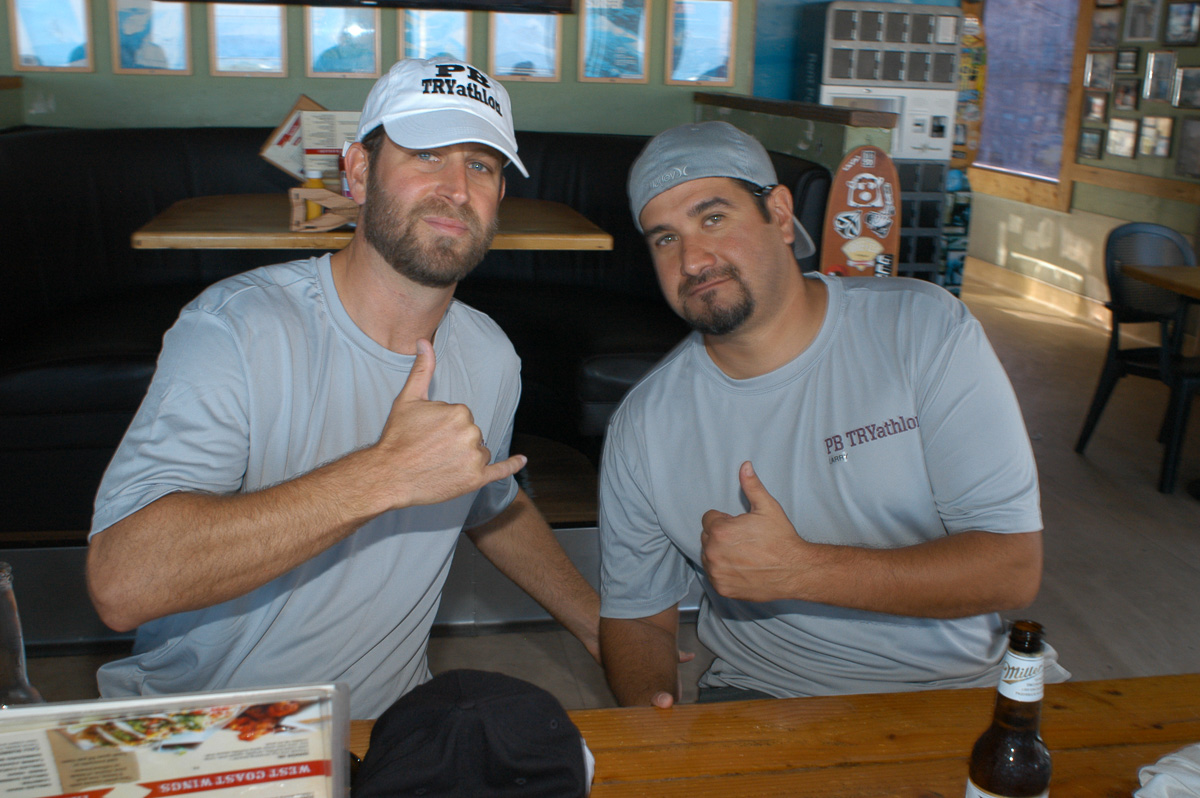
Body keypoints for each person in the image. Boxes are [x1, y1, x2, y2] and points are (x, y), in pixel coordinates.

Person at [86, 57, 600, 719]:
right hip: (209, 729)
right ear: (358, 171)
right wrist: (383, 475)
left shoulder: (491, 355)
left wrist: (595, 622)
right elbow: (124, 583)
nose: (455, 188)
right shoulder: (236, 328)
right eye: (426, 154)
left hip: (384, 727)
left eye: (481, 165)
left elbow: (485, 498)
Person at [598, 121, 1068, 707]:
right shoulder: (644, 426)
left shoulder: (922, 330)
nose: (693, 259)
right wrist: (653, 721)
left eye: (713, 217)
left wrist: (802, 571)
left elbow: (1012, 568)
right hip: (767, 693)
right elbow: (637, 617)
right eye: (665, 238)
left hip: (963, 684)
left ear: (779, 213)